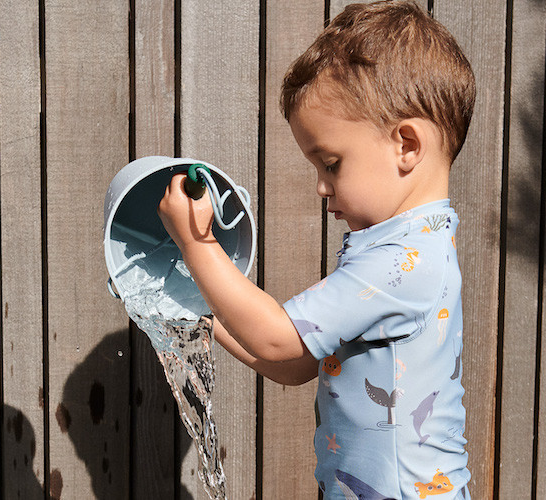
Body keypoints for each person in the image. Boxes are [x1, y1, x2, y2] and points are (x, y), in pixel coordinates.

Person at [156, 1, 475, 498]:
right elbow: (297, 363)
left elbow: (278, 339)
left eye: (331, 163)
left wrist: (197, 244)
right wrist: (204, 315)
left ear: (407, 145)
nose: (321, 187)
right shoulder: (399, 247)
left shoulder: (403, 262)